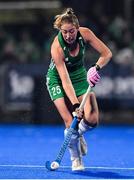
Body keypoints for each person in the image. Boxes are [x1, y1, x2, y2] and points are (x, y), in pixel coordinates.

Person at [46, 8, 112, 171]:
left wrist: (96, 68)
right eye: (64, 32)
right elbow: (65, 80)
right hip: (58, 80)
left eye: (71, 31)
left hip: (79, 76)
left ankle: (76, 134)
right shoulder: (57, 48)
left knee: (93, 118)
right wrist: (76, 105)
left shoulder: (86, 34)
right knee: (70, 121)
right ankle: (76, 159)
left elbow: (106, 53)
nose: (68, 36)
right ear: (60, 30)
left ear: (77, 28)